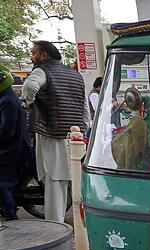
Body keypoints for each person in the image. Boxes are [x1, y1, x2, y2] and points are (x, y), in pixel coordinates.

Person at [21, 40, 89, 223]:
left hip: (53, 133)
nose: (32, 56)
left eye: (34, 52)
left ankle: (55, 227)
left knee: (54, 181)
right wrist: (84, 129)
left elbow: (30, 86)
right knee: (77, 181)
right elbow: (84, 109)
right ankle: (84, 224)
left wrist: (27, 102)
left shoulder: (43, 71)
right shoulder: (75, 75)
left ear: (44, 55)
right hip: (75, 136)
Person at [0, 65, 27, 220]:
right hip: (14, 144)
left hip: (10, 148)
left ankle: (10, 214)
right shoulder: (6, 97)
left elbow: (7, 131)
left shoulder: (7, 101)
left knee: (2, 183)